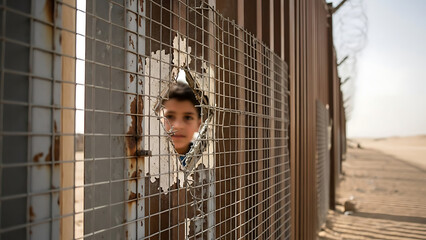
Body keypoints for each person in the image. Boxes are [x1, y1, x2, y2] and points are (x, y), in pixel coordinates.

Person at [160, 82, 201, 165]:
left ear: (199, 124)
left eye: (188, 117)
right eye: (170, 116)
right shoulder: (144, 157)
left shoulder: (203, 159)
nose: (178, 126)